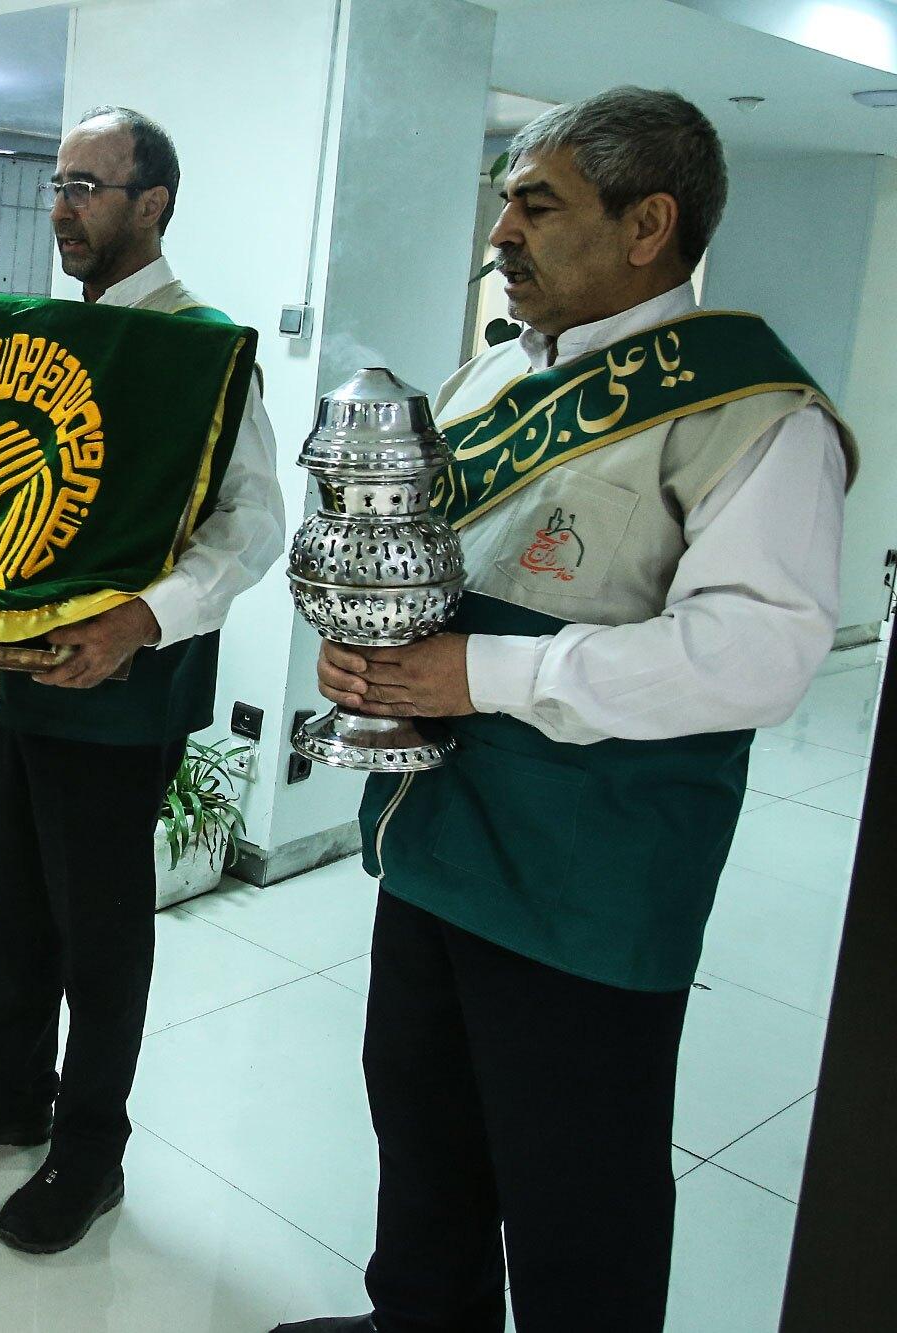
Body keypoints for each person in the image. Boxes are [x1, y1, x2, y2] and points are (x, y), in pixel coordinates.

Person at [277, 88, 853, 1333]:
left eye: (536, 206)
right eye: (505, 204)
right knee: (420, 1123)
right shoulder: (491, 371)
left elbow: (756, 654)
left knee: (573, 1186)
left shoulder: (750, 411)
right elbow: (423, 561)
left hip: (588, 878)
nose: (501, 232)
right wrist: (369, 653)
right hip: (440, 832)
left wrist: (473, 675)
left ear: (648, 225)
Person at [0, 106, 287, 1255]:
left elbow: (250, 525)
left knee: (99, 935)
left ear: (151, 203)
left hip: (122, 694)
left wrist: (139, 620)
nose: (61, 207)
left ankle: (89, 1149)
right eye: (55, 185)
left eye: (85, 186)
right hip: (18, 681)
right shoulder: (52, 335)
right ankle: (6, 1092)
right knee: (4, 903)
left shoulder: (201, 347)